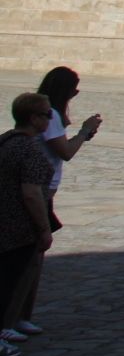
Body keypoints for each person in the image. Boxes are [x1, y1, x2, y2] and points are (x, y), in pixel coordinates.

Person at [16, 67, 100, 341]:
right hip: (40, 189)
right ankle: (14, 318)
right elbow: (65, 152)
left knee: (34, 258)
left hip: (45, 188)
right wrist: (85, 132)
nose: (77, 92)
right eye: (75, 88)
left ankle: (21, 315)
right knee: (30, 257)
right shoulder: (49, 115)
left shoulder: (48, 112)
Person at [0, 95, 55, 356]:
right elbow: (32, 194)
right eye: (47, 115)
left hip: (4, 222)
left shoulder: (6, 141)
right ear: (34, 119)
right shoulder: (29, 150)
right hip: (18, 228)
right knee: (8, 284)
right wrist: (44, 229)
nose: (50, 119)